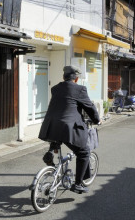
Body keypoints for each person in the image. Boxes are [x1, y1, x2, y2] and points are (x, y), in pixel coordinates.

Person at [38, 65, 101, 194]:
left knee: (57, 138)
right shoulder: (79, 90)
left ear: (63, 77)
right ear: (76, 79)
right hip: (67, 128)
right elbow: (89, 107)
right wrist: (97, 120)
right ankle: (77, 184)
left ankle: (50, 152)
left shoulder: (55, 89)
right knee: (83, 152)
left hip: (50, 126)